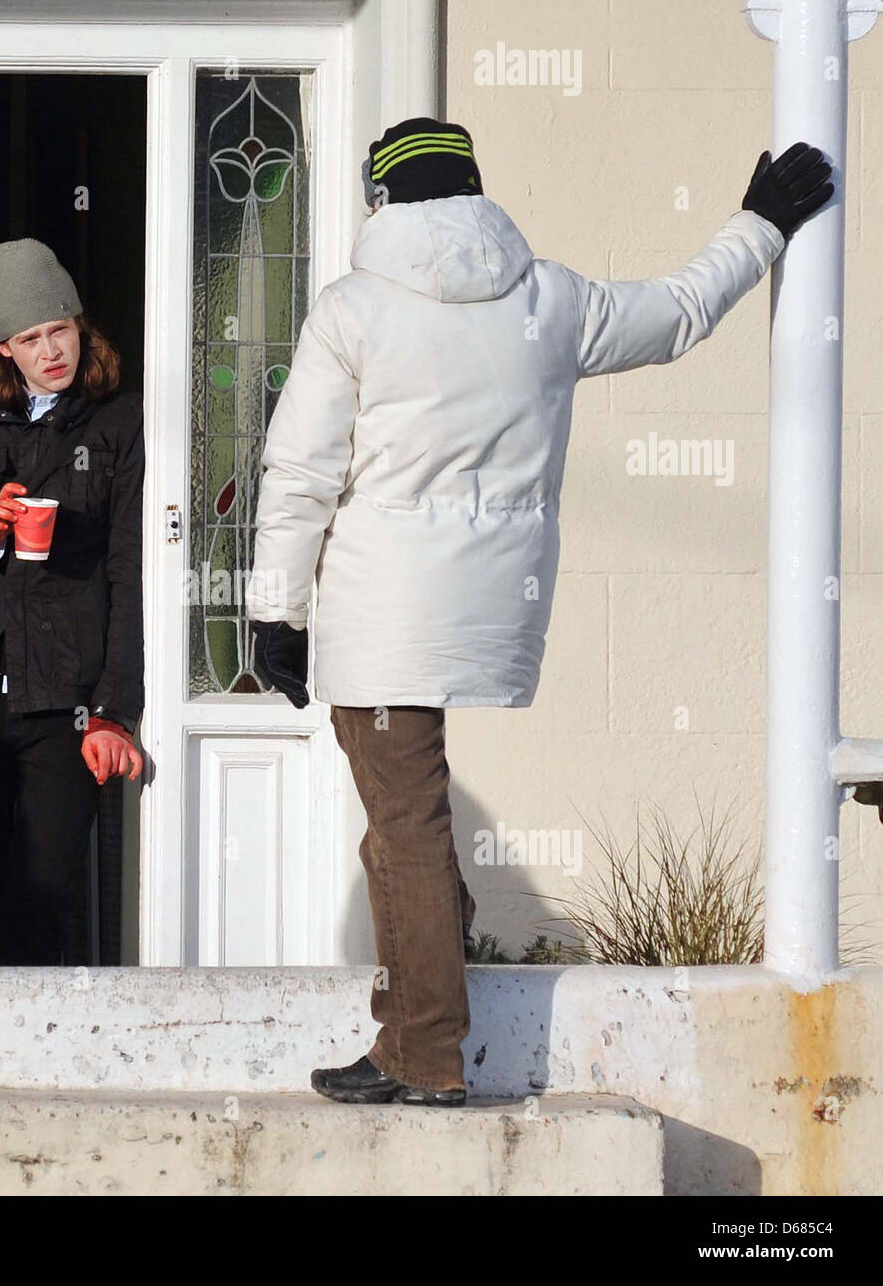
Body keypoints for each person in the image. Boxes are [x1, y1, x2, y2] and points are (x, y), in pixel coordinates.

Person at [247, 119, 833, 1106]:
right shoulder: (549, 298)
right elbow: (681, 314)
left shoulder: (351, 310)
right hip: (494, 602)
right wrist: (759, 225)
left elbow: (300, 473)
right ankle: (411, 1027)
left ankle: (422, 1055)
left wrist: (274, 613)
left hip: (377, 607)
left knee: (403, 821)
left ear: (381, 200)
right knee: (405, 822)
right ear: (472, 190)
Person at [0, 239, 144, 965]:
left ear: (82, 326)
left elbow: (132, 568)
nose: (51, 351)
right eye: (31, 338)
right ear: (5, 347)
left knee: (46, 896)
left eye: (61, 329)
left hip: (63, 694)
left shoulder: (120, 420)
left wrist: (111, 711)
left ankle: (34, 1059)